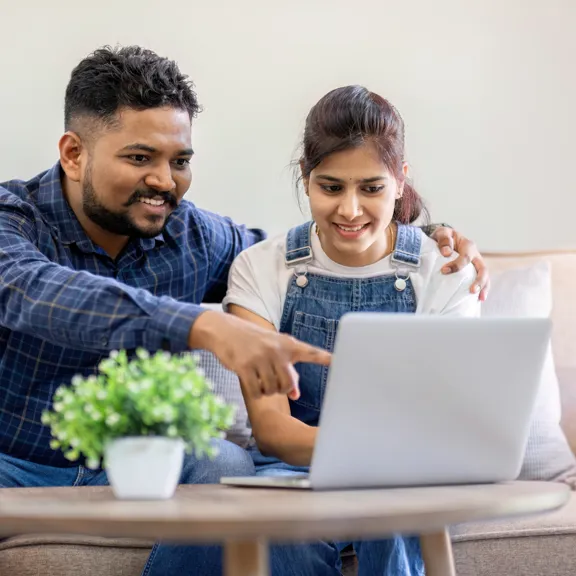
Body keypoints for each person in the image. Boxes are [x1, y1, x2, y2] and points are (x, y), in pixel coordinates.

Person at [0, 45, 486, 574]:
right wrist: (203, 324)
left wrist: (425, 235)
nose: (166, 181)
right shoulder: (13, 221)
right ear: (73, 153)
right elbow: (34, 290)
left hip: (141, 464)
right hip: (12, 465)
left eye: (179, 161)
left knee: (223, 461)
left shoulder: (192, 235)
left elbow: (313, 250)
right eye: (140, 158)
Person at [221, 86, 480, 574]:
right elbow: (274, 430)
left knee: (392, 506)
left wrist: (384, 462)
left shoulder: (445, 270)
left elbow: (446, 422)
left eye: (372, 188)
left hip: (406, 474)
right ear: (306, 178)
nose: (350, 210)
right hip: (294, 468)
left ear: (401, 182)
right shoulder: (259, 268)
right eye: (331, 187)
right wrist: (376, 452)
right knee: (282, 532)